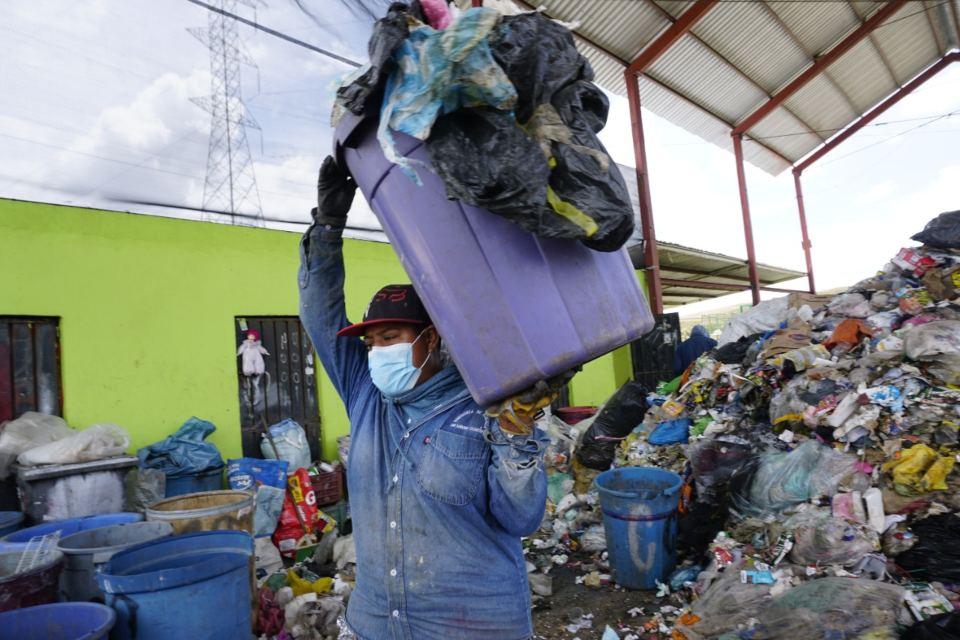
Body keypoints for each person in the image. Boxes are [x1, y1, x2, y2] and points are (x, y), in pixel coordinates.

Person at [298, 157, 548, 640]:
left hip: (470, 627)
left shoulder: (486, 402)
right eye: (371, 343)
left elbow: (521, 518)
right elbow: (319, 314)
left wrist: (517, 437)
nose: (376, 352)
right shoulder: (365, 395)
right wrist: (327, 223)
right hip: (374, 624)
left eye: (390, 336)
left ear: (430, 339)